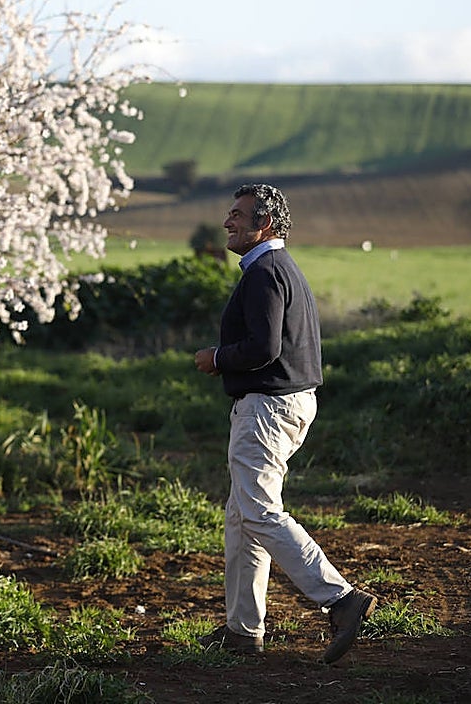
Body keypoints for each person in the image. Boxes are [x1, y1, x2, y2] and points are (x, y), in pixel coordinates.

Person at [194, 183, 377, 664]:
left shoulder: (265, 272)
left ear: (265, 225)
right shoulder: (278, 268)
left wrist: (216, 357)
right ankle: (242, 629)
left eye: (238, 214)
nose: (227, 222)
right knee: (242, 515)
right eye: (229, 212)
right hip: (284, 402)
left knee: (257, 511)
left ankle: (341, 599)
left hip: (267, 407)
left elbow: (263, 348)